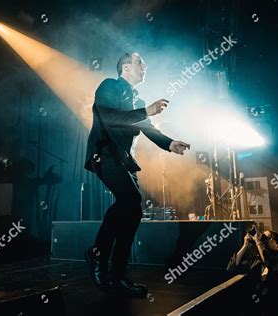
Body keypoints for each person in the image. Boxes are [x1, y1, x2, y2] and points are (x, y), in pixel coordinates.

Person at [84, 52, 190, 297]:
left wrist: (169, 143)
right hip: (105, 153)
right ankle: (97, 253)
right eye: (140, 62)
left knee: (133, 212)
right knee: (130, 201)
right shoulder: (109, 86)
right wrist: (147, 110)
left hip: (124, 160)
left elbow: (147, 127)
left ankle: (118, 276)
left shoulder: (137, 98)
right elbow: (109, 118)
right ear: (125, 67)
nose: (145, 66)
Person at [228, 228, 278, 316]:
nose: (263, 240)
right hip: (260, 309)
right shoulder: (258, 260)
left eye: (268, 238)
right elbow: (232, 268)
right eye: (263, 237)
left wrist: (258, 242)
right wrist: (245, 246)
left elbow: (271, 263)